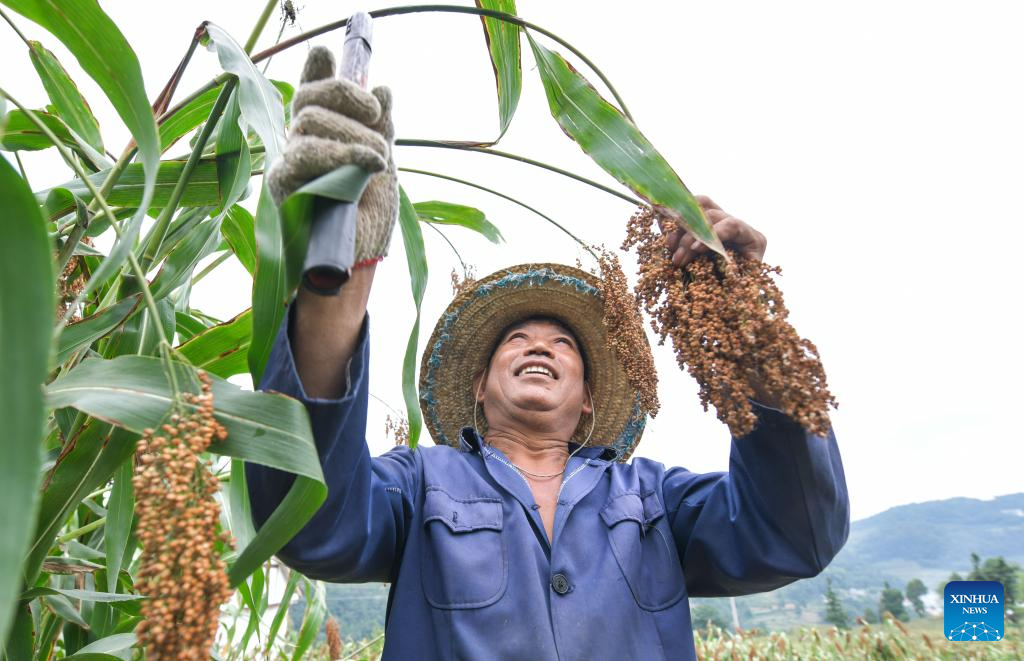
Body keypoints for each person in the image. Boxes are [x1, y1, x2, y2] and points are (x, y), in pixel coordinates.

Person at [247, 46, 849, 661]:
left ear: (588, 399)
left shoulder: (651, 500)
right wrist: (342, 273)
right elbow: (311, 523)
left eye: (564, 344)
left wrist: (746, 325)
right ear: (479, 387)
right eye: (517, 339)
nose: (540, 344)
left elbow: (792, 534)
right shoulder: (421, 485)